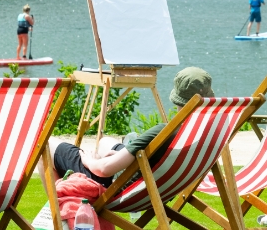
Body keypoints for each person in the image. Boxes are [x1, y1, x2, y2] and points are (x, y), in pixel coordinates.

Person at [42, 67, 215, 187]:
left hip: (119, 185)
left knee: (46, 144)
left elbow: (103, 170)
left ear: (177, 98)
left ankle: (59, 214)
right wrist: (121, 156)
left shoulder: (164, 131)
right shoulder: (207, 130)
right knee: (105, 142)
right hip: (158, 187)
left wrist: (89, 160)